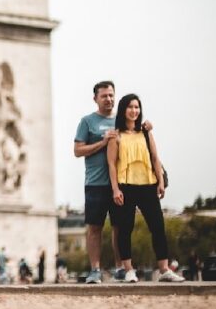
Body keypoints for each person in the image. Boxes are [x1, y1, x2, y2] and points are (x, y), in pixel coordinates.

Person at [107, 94, 184, 283]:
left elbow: (155, 158)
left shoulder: (146, 132)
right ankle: (129, 270)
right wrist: (115, 189)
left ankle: (164, 269)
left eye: (137, 107)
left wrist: (160, 181)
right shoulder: (115, 135)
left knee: (158, 226)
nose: (134, 111)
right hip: (126, 186)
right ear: (123, 109)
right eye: (130, 107)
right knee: (126, 229)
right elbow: (111, 165)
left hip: (148, 185)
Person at [74, 81, 127, 283]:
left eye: (111, 95)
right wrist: (102, 143)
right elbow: (78, 151)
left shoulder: (122, 121)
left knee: (120, 227)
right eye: (104, 96)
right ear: (95, 98)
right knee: (95, 228)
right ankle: (95, 269)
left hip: (120, 182)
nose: (109, 99)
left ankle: (120, 267)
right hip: (95, 183)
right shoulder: (87, 122)